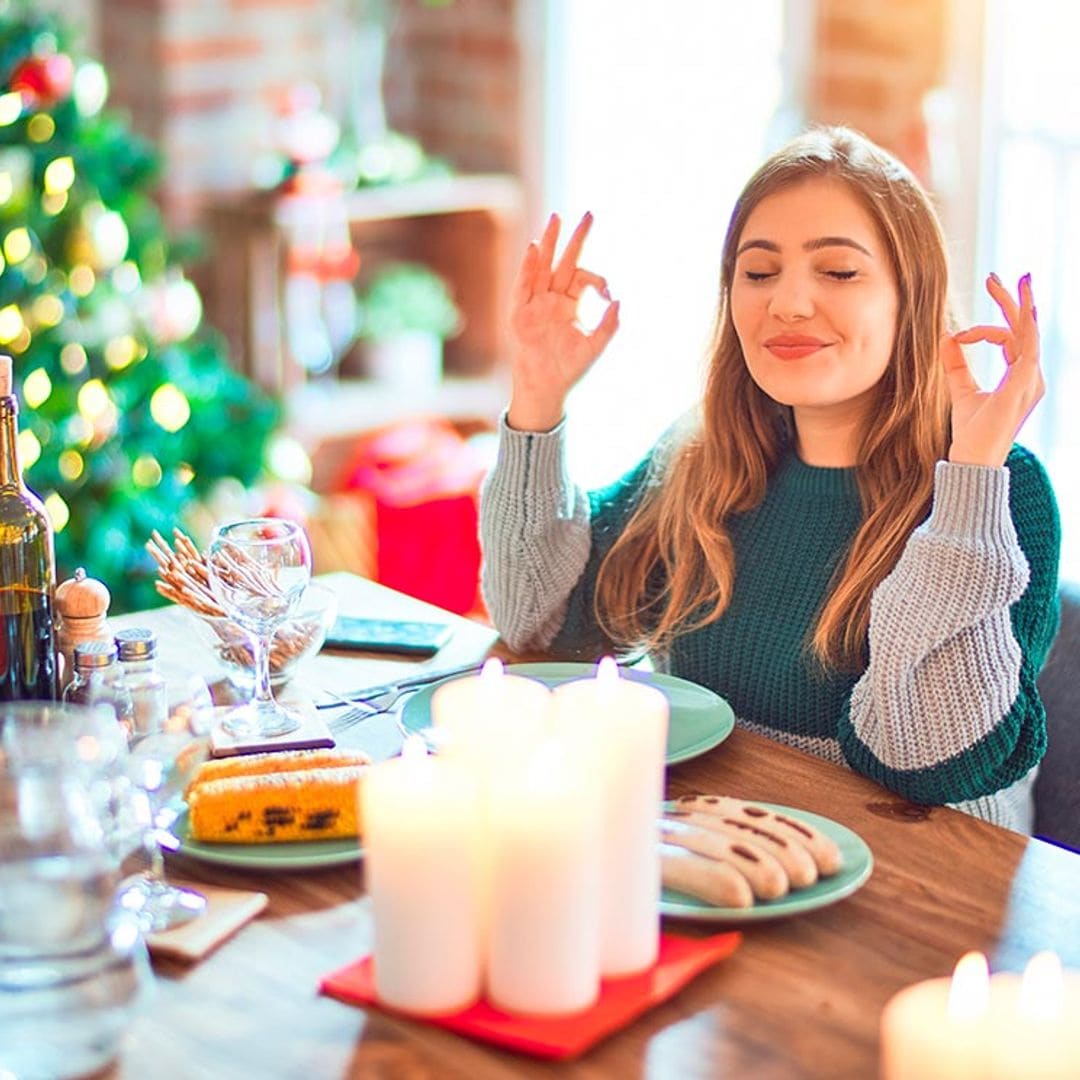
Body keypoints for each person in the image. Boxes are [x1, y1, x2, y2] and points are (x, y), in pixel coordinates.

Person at [479, 125, 1060, 833]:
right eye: (758, 273)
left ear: (912, 298)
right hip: (715, 856)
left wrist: (970, 476)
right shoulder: (702, 458)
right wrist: (537, 393)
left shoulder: (1003, 488)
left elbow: (926, 761)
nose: (786, 304)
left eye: (839, 272)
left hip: (913, 897)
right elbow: (536, 620)